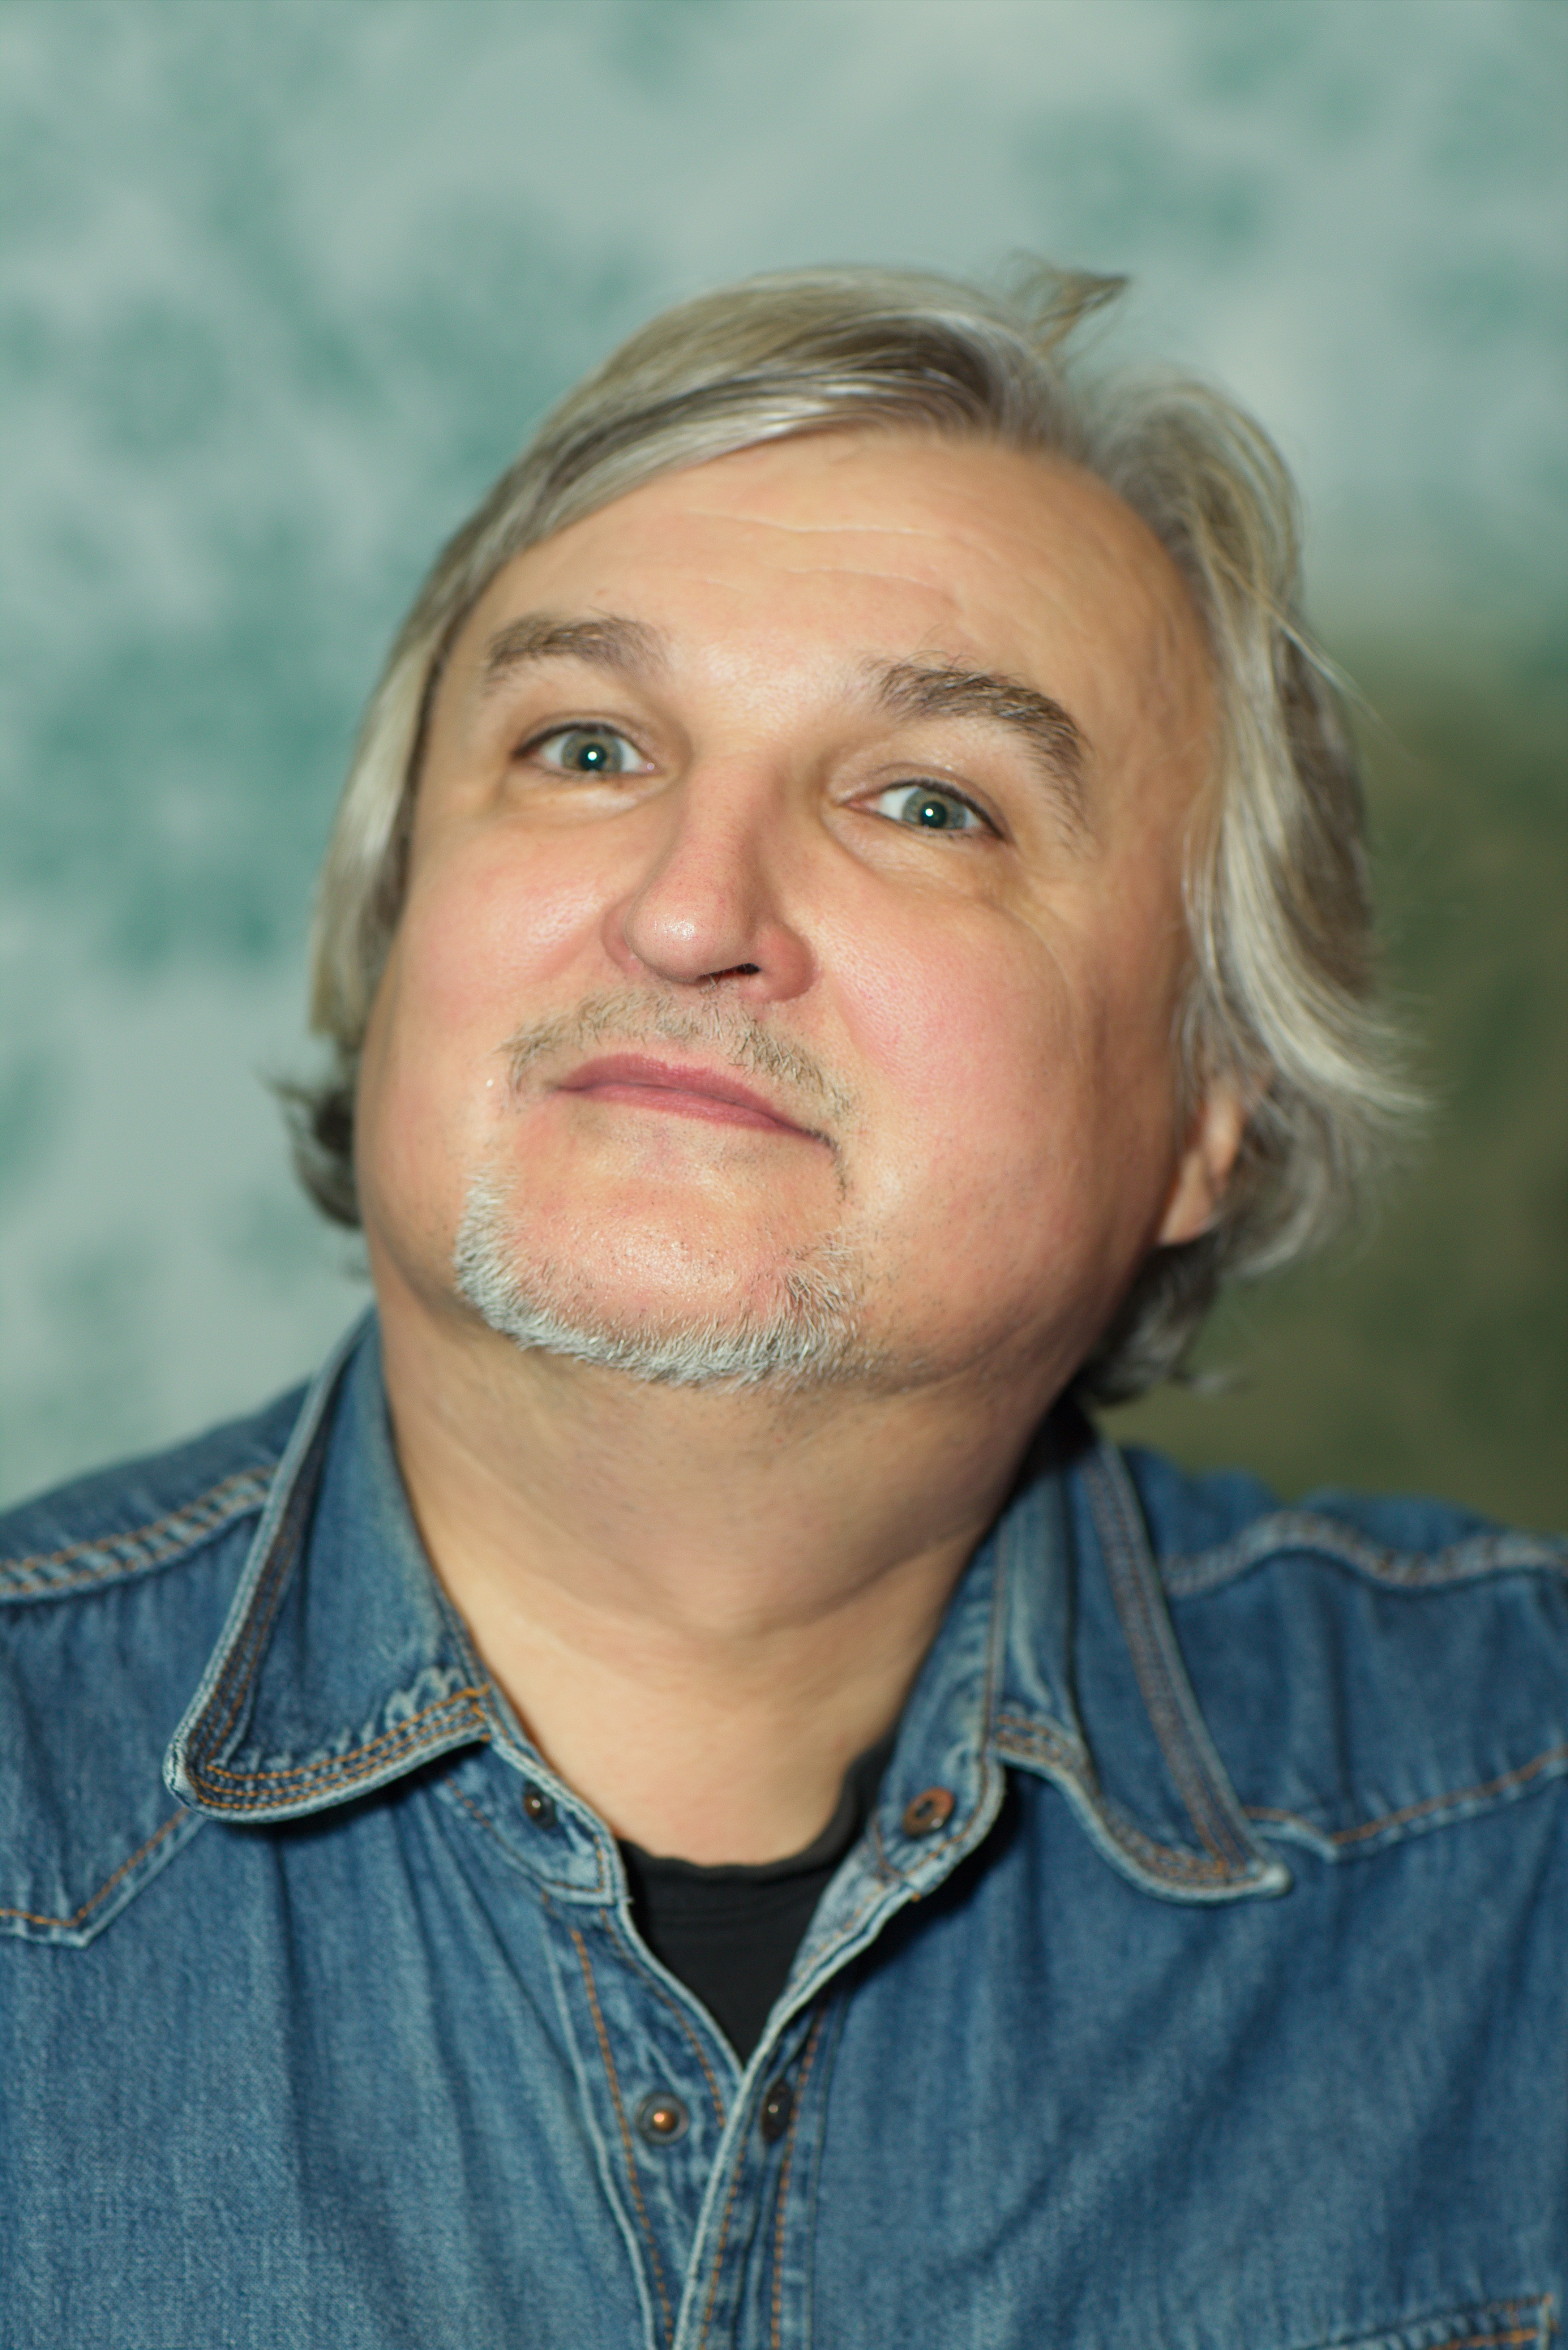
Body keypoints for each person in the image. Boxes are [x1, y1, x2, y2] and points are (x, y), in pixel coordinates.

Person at [2, 263, 1562, 2349]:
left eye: (928, 802)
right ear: (391, 930)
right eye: (585, 747)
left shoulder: (1523, 1829)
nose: (689, 909)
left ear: (1208, 1110)